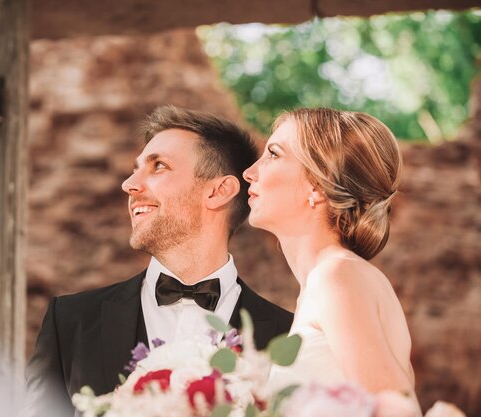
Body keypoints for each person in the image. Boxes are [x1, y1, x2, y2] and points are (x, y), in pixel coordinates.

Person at [23, 105, 293, 417]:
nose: (129, 184)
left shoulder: (285, 336)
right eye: (135, 168)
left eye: (158, 166)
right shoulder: (70, 321)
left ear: (219, 191)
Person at [244, 107, 415, 396]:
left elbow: (394, 408)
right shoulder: (325, 282)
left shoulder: (337, 276)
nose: (249, 173)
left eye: (273, 154)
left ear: (318, 185)